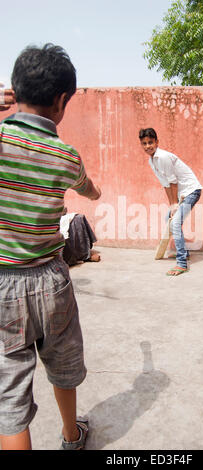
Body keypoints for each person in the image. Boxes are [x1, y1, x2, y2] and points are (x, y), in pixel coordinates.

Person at [0, 44, 101, 450]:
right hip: (51, 280)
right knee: (62, 363)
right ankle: (71, 434)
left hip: (3, 283)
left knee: (10, 394)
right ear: (61, 100)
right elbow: (89, 189)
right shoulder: (65, 155)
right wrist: (94, 193)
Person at [139, 128, 202, 276]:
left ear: (157, 142)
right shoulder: (152, 160)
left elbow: (173, 182)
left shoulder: (163, 157)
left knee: (174, 222)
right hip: (182, 194)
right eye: (144, 143)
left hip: (192, 191)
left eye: (150, 142)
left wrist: (175, 204)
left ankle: (181, 263)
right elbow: (166, 184)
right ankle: (184, 253)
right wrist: (172, 205)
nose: (148, 146)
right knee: (169, 217)